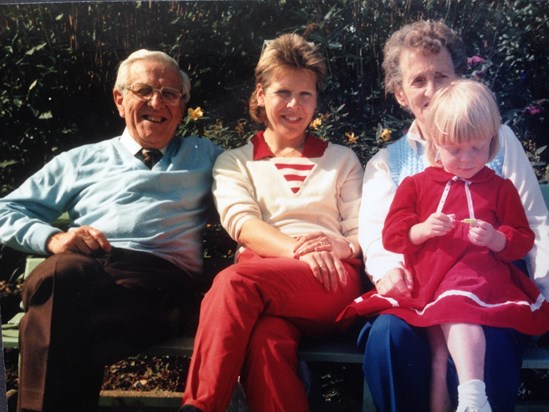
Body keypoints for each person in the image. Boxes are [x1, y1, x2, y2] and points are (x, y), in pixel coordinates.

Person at [0, 49, 222, 412]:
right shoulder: (80, 161)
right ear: (120, 100)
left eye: (170, 94)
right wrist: (53, 238)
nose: (157, 102)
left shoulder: (207, 157)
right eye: (144, 90)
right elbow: (6, 209)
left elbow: (257, 184)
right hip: (83, 271)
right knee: (61, 274)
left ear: (181, 107)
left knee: (55, 321)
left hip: (155, 283)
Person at [353, 20, 549, 412]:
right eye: (418, 80)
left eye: (441, 75)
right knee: (390, 335)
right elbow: (378, 237)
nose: (431, 89)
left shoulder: (498, 140)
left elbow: (533, 222)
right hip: (418, 290)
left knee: (490, 335)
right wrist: (391, 271)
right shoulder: (385, 163)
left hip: (486, 286)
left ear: (457, 78)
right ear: (400, 94)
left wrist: (544, 289)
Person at [179, 33, 364, 412]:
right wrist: (298, 250)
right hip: (264, 284)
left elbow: (362, 229)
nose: (294, 106)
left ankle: (199, 406)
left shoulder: (342, 159)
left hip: (329, 280)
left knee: (232, 280)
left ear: (316, 100)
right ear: (261, 94)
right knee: (265, 342)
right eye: (283, 93)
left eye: (305, 95)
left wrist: (339, 248)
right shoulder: (236, 161)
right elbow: (242, 223)